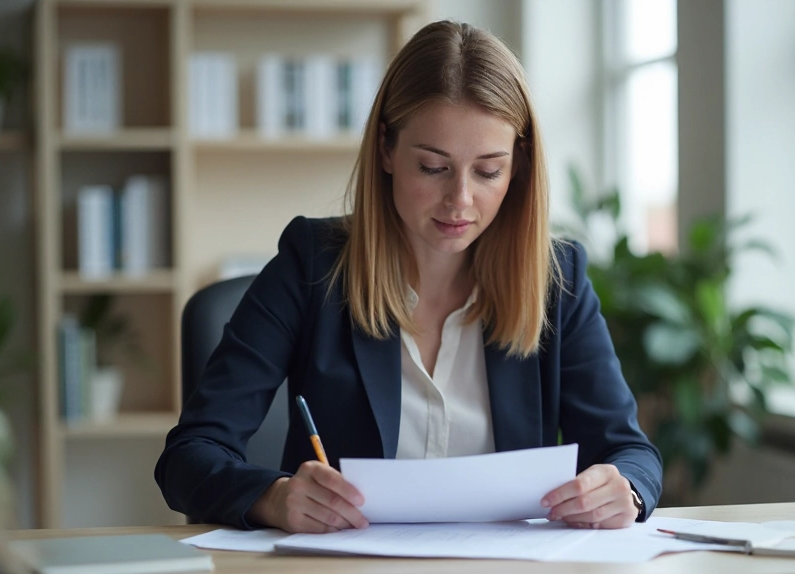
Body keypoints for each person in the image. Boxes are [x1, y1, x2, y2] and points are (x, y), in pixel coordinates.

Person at [155, 20, 662, 534]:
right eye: (433, 168)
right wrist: (274, 497)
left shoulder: (557, 281)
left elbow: (630, 452)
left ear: (518, 167)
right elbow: (190, 455)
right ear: (386, 150)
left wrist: (624, 489)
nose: (460, 200)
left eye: (488, 171)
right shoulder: (312, 265)